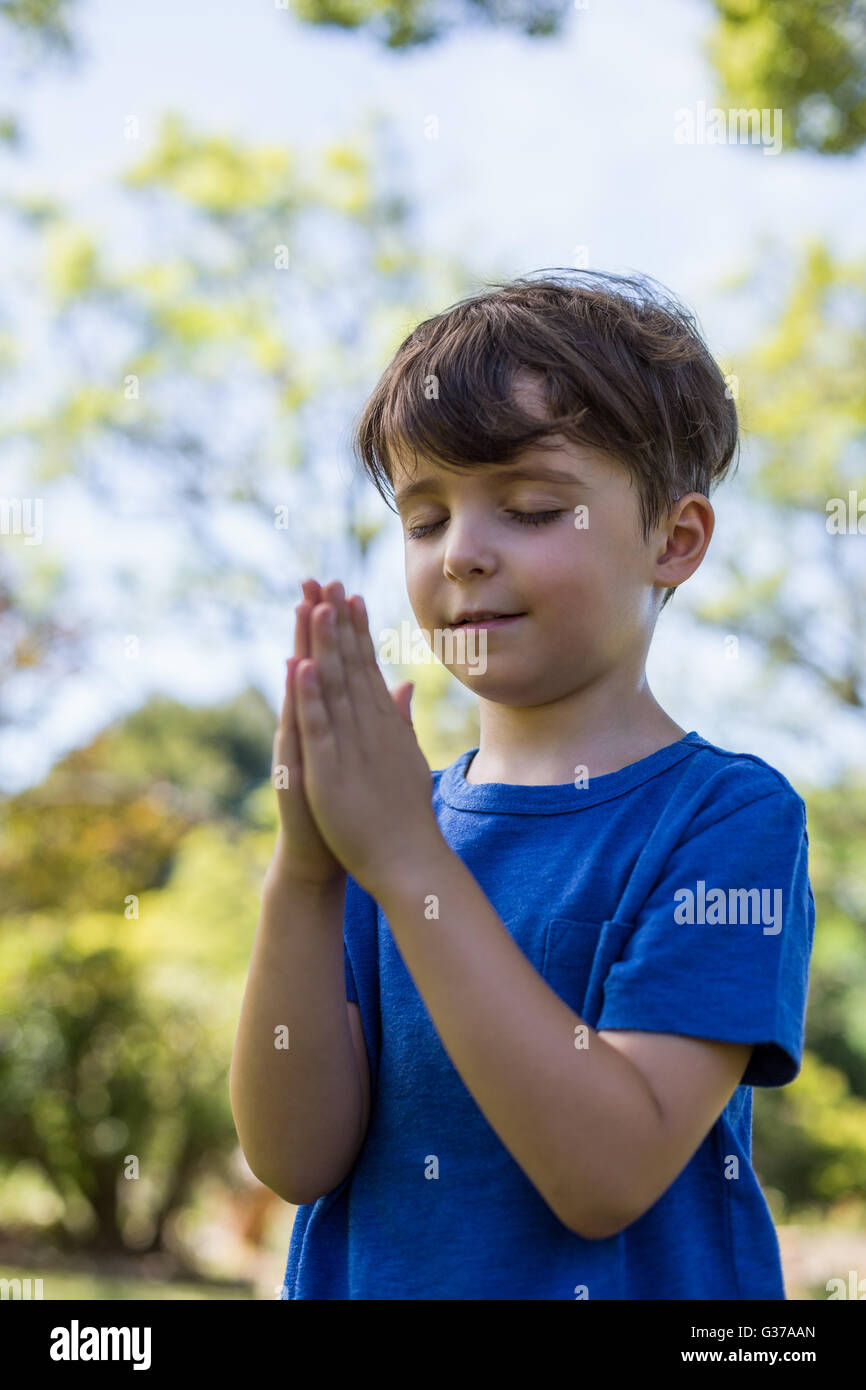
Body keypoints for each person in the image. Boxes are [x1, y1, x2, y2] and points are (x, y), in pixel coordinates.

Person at [230, 269, 815, 1300]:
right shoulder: (388, 826)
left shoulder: (726, 821)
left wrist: (402, 857)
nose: (461, 554)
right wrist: (308, 869)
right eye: (422, 519)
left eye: (531, 507)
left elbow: (605, 1174)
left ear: (672, 541)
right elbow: (294, 1157)